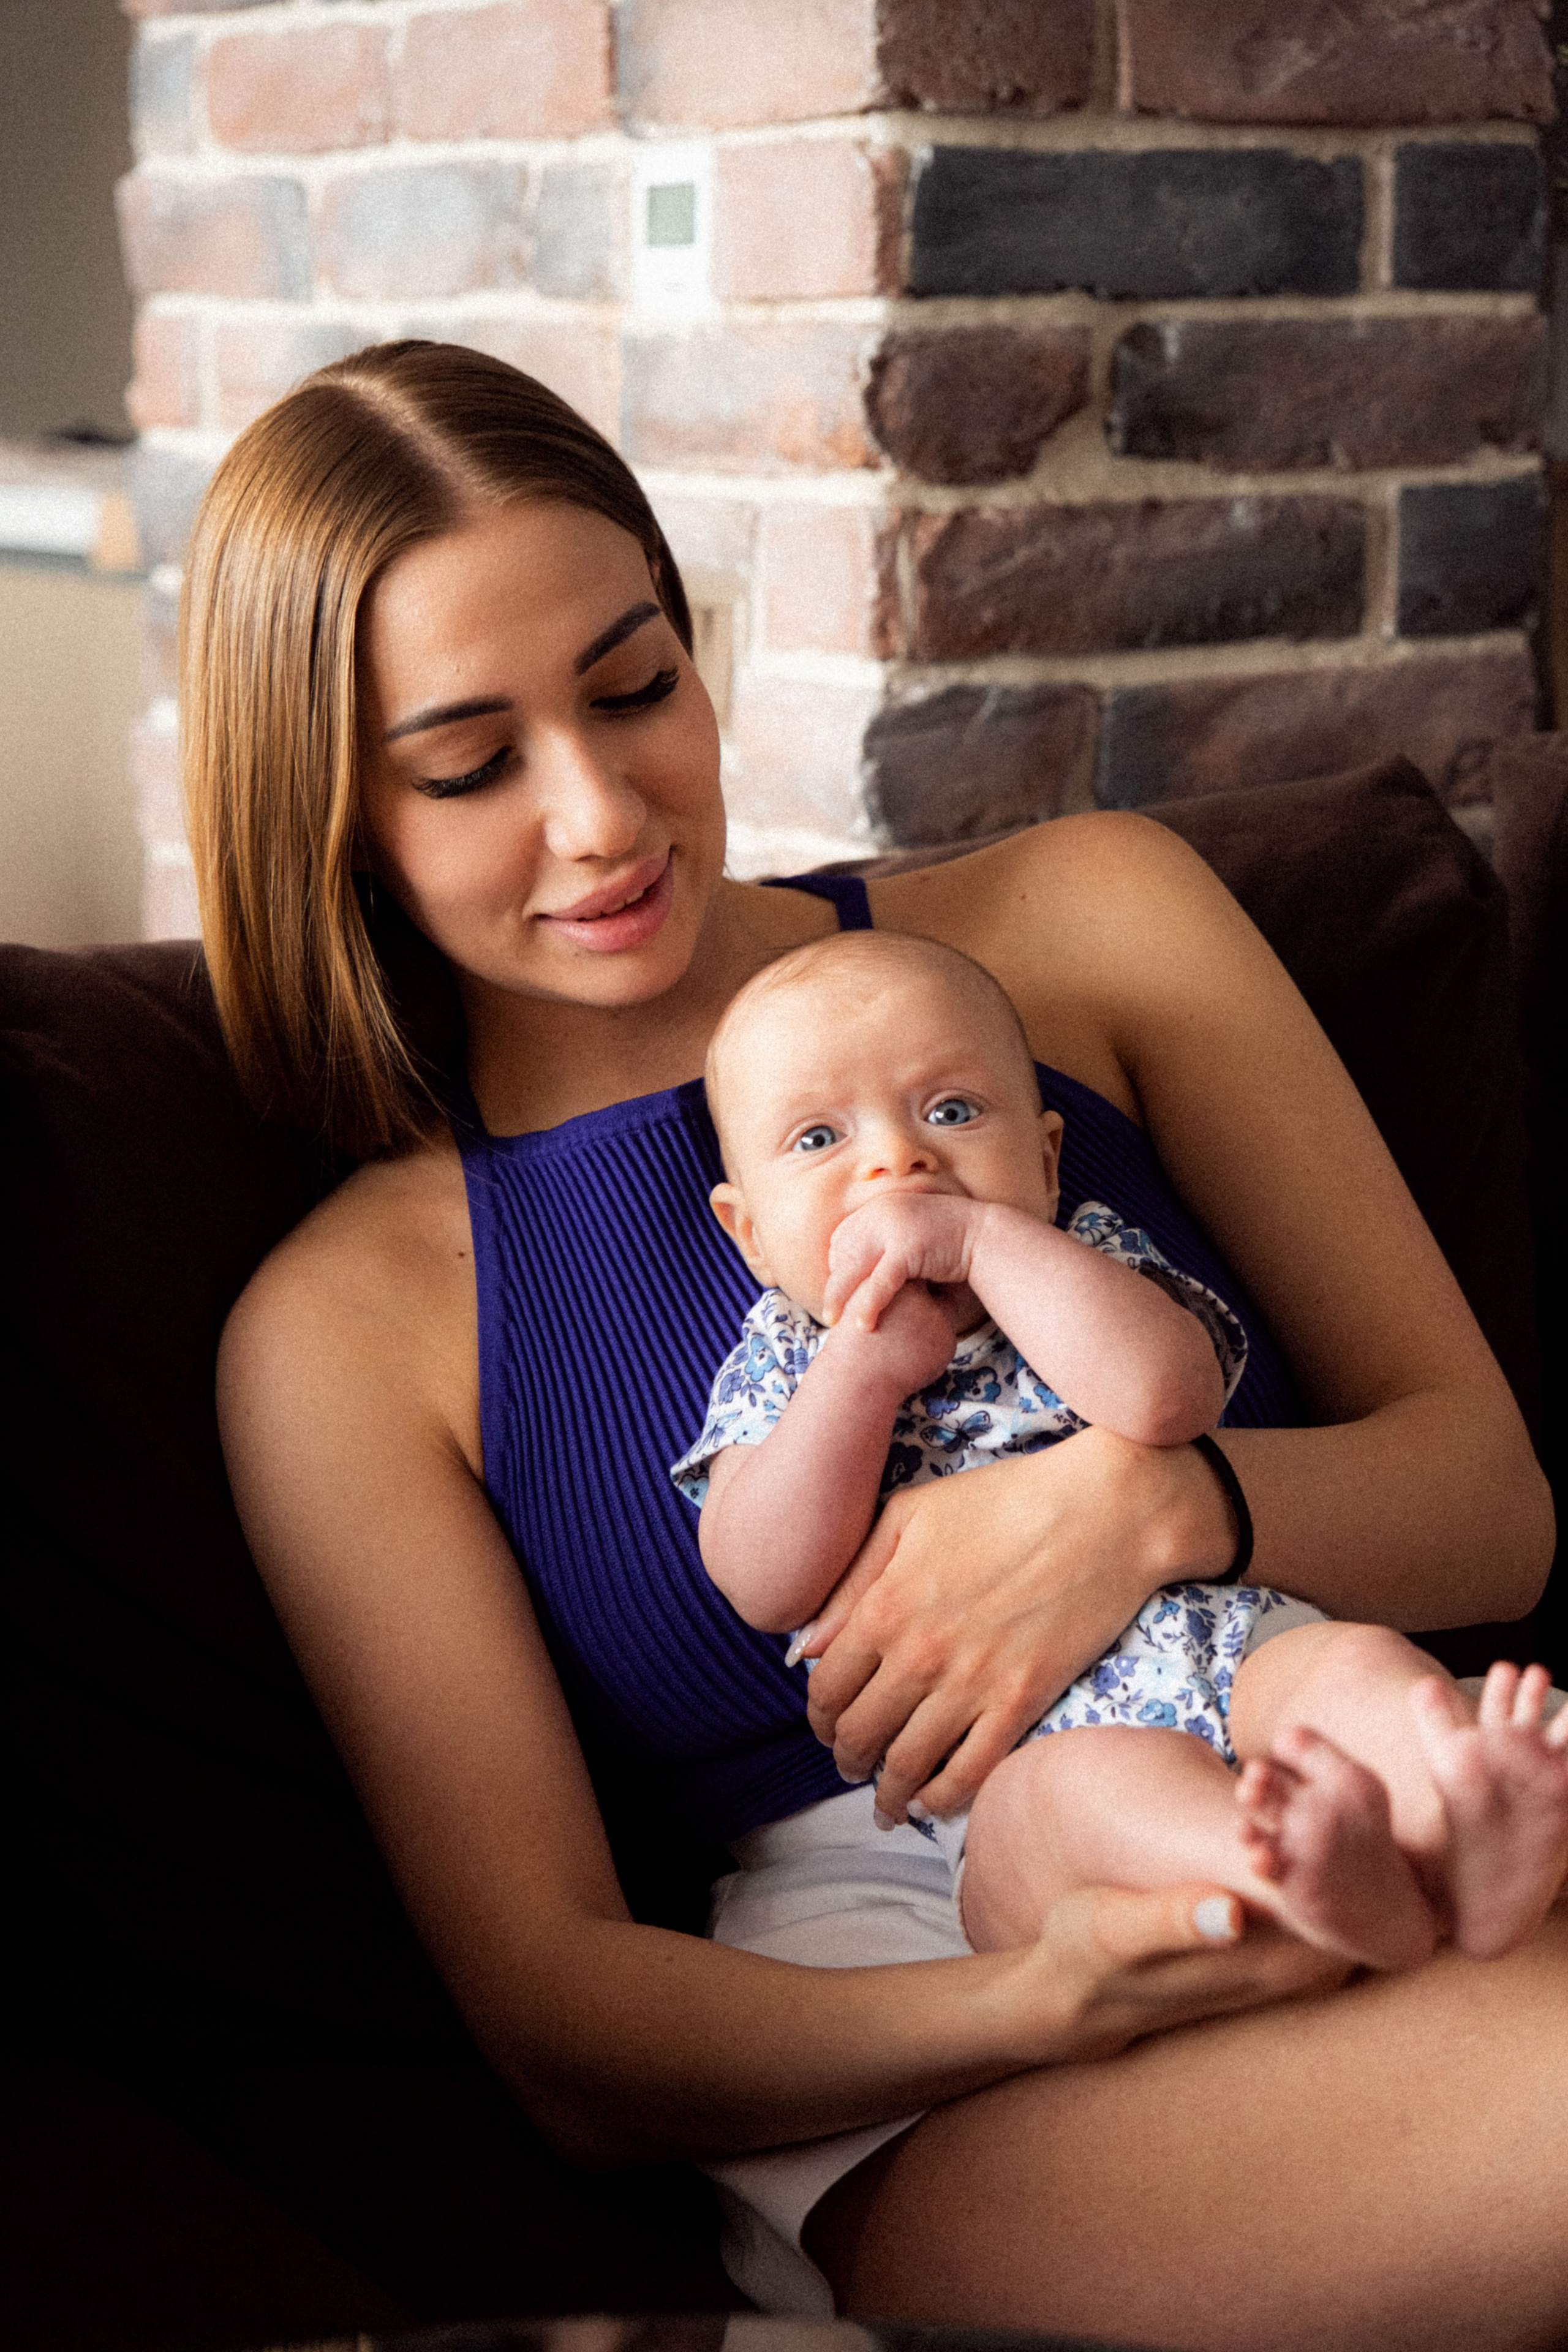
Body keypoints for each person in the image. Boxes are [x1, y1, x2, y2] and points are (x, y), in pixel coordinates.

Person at [192, 340, 1568, 2350]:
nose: (600, 814)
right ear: (330, 815)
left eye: (636, 683)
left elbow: (1495, 1503)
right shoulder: (349, 1324)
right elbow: (567, 2021)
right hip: (933, 2066)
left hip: (1332, 1770)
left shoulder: (1090, 924)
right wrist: (1045, 1991)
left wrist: (1148, 1511)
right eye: (472, 763)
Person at [679, 928, 1568, 1973]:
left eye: (953, 1113)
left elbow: (1166, 1399)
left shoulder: (1081, 1261)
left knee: (1358, 1672)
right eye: (819, 1140)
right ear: (748, 1235)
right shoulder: (786, 1360)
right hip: (1007, 1769)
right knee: (1086, 1801)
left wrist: (983, 1244)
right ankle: (1296, 1875)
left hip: (1231, 1647)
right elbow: (762, 1578)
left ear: (1047, 1162)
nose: (898, 1161)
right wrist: (859, 1377)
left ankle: (1470, 1833)